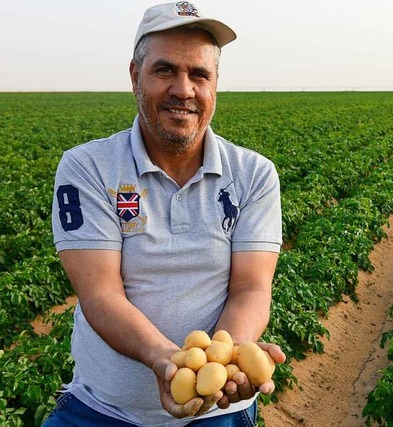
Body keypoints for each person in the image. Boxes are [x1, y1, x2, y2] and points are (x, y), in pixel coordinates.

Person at [45, 2, 285, 425]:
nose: (183, 89)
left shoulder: (253, 174)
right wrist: (166, 361)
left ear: (215, 85)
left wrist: (226, 358)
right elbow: (100, 293)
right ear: (135, 76)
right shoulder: (89, 167)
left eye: (199, 74)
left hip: (217, 416)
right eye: (164, 70)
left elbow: (251, 288)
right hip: (103, 410)